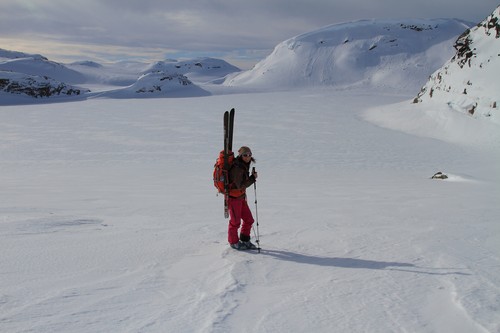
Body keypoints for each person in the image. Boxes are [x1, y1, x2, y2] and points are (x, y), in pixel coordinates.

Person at [228, 146, 258, 250]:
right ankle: (233, 242)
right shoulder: (237, 168)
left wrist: (251, 178)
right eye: (245, 155)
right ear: (241, 156)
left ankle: (245, 239)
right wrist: (252, 178)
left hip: (241, 197)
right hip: (233, 198)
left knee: (249, 219)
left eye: (250, 155)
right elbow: (240, 185)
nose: (248, 157)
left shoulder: (244, 165)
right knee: (235, 222)